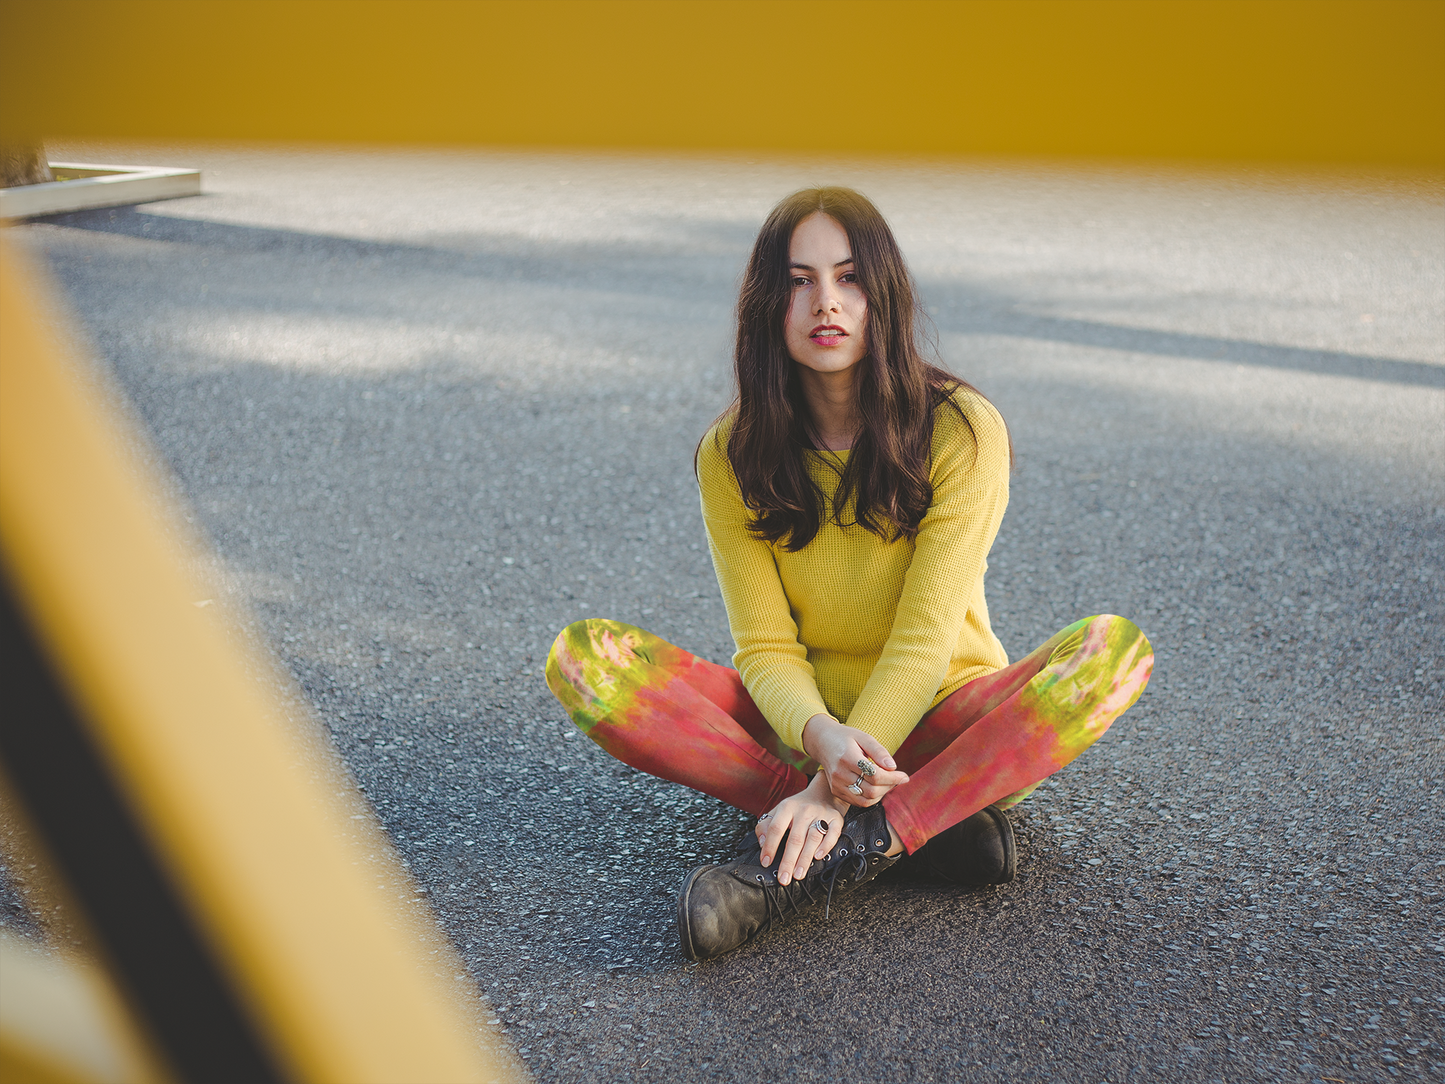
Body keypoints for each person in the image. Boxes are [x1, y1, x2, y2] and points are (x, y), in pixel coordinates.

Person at [546, 187, 1153, 962]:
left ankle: (839, 839)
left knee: (1112, 652)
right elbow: (764, 648)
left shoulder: (960, 429)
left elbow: (923, 642)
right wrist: (821, 747)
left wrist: (828, 790)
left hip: (944, 727)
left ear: (882, 294)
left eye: (849, 278)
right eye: (798, 281)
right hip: (809, 733)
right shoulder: (731, 452)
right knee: (585, 660)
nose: (825, 302)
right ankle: (919, 829)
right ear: (767, 306)